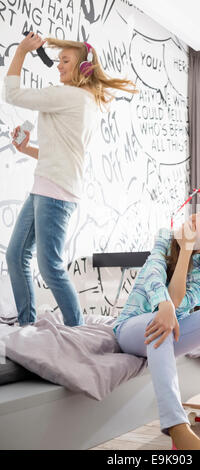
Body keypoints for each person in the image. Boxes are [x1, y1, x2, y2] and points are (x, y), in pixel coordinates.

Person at [4, 32, 138, 327]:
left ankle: (76, 329)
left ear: (82, 68)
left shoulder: (70, 96)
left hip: (56, 191)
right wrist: (27, 148)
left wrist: (22, 52)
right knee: (16, 256)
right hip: (46, 186)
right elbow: (61, 153)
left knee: (49, 266)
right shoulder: (81, 99)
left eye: (65, 61)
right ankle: (27, 327)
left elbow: (12, 94)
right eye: (59, 60)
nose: (58, 66)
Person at [113, 194, 200, 450]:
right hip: (132, 326)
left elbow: (177, 301)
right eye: (198, 211)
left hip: (172, 330)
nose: (193, 216)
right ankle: (177, 427)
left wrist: (187, 251)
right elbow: (154, 275)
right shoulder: (165, 237)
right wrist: (164, 305)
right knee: (162, 323)